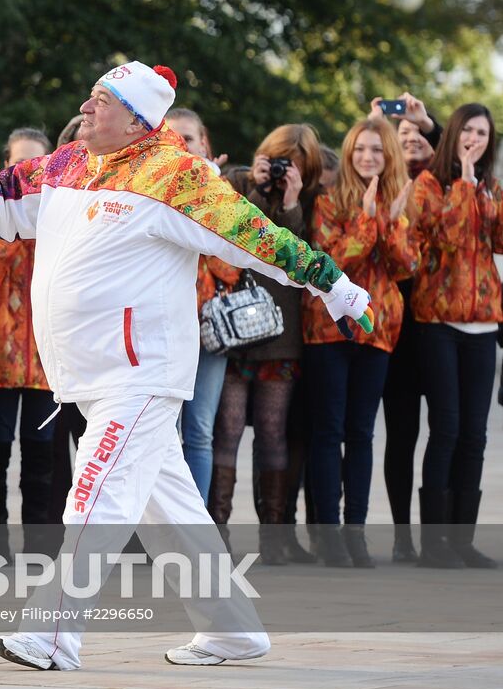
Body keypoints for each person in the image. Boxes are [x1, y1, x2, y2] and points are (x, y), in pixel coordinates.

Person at [0, 60, 372, 670]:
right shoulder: (67, 163)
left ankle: (52, 634)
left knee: (94, 494)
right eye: (91, 95)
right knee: (172, 515)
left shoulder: (174, 176)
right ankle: (233, 630)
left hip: (140, 375)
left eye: (101, 99)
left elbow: (255, 236)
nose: (86, 106)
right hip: (87, 375)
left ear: (136, 120)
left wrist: (334, 286)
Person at [303, 118, 415, 567]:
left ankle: (356, 532)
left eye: (377, 150)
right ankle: (329, 535)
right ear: (349, 153)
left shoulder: (398, 202)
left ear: (389, 156)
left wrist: (392, 221)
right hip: (328, 328)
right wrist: (368, 219)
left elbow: (405, 266)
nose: (368, 157)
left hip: (377, 330)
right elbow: (333, 263)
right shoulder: (328, 201)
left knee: (362, 433)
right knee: (328, 430)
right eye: (361, 149)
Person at [211, 124, 324, 565]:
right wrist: (258, 190)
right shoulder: (238, 184)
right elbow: (240, 239)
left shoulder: (311, 198)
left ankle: (274, 538)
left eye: (291, 164)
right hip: (236, 333)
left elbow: (299, 256)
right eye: (277, 160)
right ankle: (217, 534)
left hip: (282, 334)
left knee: (274, 434)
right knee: (227, 431)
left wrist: (292, 202)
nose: (281, 171)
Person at [409, 103, 500, 569]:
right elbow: (447, 236)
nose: (474, 139)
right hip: (439, 321)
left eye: (482, 133)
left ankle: (462, 540)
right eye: (468, 130)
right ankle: (434, 543)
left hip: (484, 322)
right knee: (445, 428)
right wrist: (464, 183)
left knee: (475, 435)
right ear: (453, 135)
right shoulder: (429, 184)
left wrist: (483, 190)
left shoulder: (491, 187)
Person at [0, 129, 58, 543]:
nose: (27, 173)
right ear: (5, 166)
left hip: (45, 355)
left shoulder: (62, 214)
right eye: (19, 164)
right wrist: (12, 223)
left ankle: (40, 544)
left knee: (41, 455)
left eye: (36, 165)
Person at [163, 109, 238, 504]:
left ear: (204, 144)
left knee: (199, 432)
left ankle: (195, 525)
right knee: (161, 434)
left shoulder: (221, 191)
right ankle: (156, 528)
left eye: (189, 138)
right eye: (172, 137)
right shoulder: (150, 187)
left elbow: (230, 267)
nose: (181, 145)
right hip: (162, 330)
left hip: (208, 330)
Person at [380, 109, 436, 561]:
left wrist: (431, 132)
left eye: (420, 131)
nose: (411, 137)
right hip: (394, 324)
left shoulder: (441, 182)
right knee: (400, 434)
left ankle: (441, 534)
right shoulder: (378, 182)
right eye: (403, 132)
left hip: (436, 324)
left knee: (441, 431)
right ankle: (403, 536)